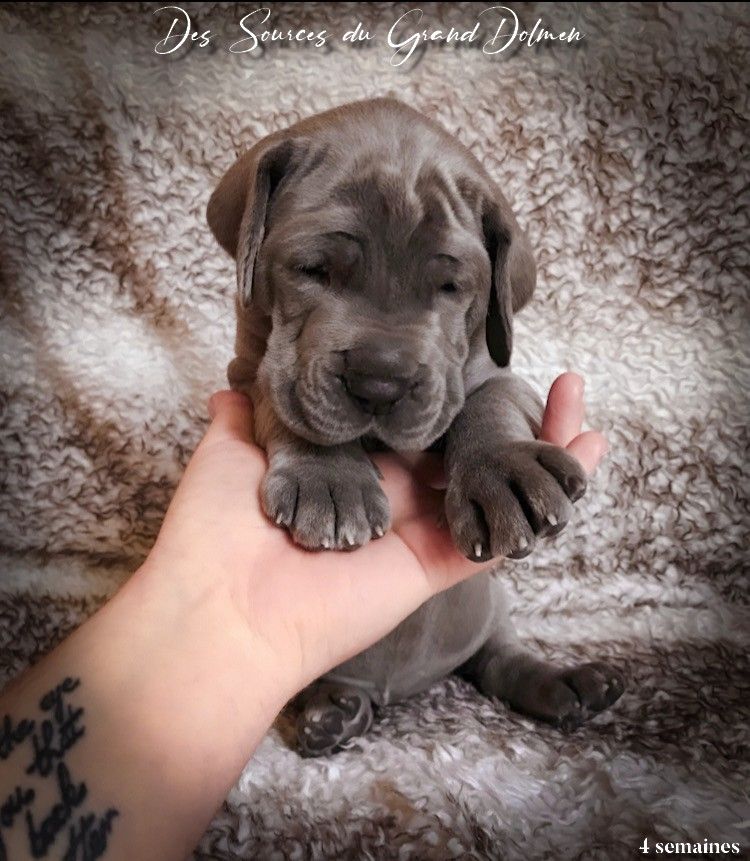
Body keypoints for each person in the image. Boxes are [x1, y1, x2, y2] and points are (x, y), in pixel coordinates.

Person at [0, 373, 607, 861]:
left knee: (494, 635)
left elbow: (500, 385)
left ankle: (511, 668)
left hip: (465, 624)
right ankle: (344, 694)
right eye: (318, 269)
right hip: (331, 653)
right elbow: (271, 392)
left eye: (445, 285)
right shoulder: (287, 375)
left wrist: (495, 441)